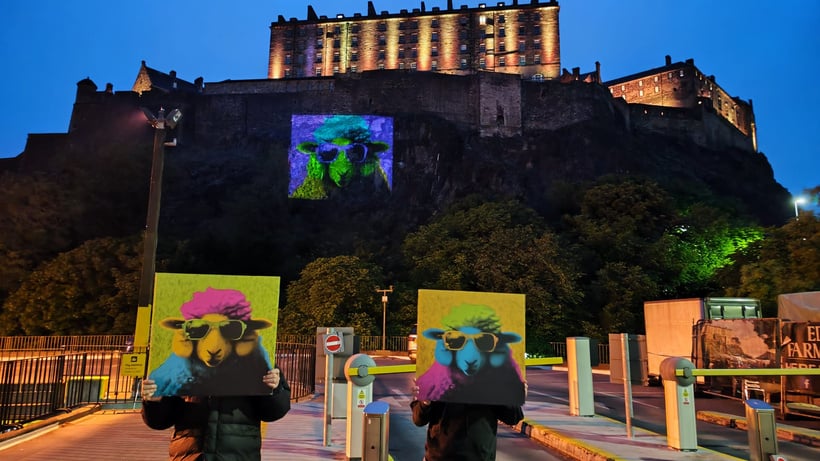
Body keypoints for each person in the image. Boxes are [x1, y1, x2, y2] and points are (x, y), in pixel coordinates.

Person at [141, 366, 290, 461]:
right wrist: (154, 402)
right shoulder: (178, 364)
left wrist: (274, 389)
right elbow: (159, 421)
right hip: (189, 455)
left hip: (238, 455)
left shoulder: (259, 362)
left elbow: (274, 411)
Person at [410, 383, 526, 461]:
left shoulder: (492, 380)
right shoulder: (435, 377)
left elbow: (513, 417)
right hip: (439, 457)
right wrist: (425, 402)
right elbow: (419, 420)